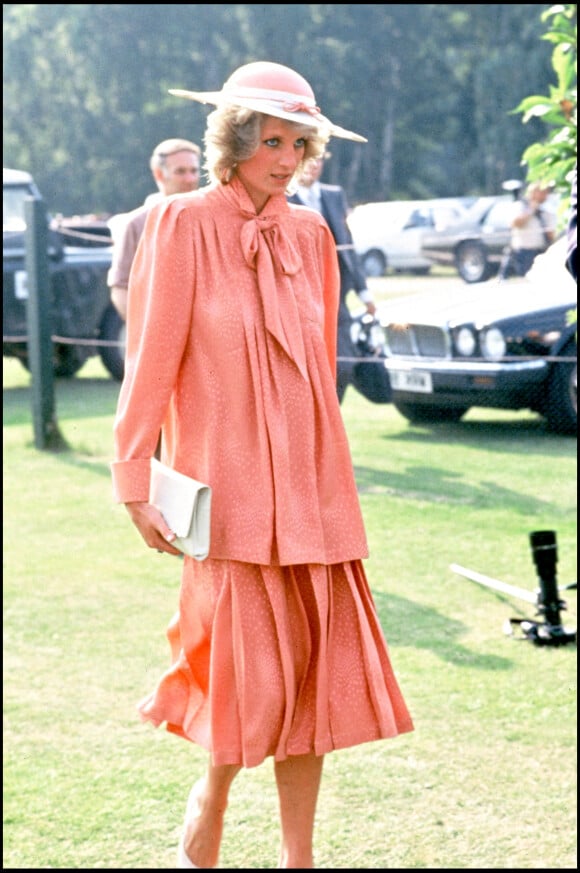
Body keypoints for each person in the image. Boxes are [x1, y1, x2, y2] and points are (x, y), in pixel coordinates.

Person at [111, 61, 413, 870]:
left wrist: (325, 476)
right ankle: (208, 803)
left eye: (299, 142)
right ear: (236, 139)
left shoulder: (314, 236)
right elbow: (151, 360)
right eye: (271, 139)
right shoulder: (179, 223)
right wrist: (135, 478)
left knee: (314, 686)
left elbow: (316, 366)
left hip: (313, 494)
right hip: (228, 493)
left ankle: (298, 858)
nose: (286, 157)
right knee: (252, 685)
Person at [287, 153, 377, 403]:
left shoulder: (333, 195)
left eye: (318, 160)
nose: (313, 166)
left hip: (336, 295)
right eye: (306, 160)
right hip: (297, 296)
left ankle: (331, 419)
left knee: (343, 364)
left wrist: (364, 294)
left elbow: (348, 245)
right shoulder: (280, 196)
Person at [107, 138, 201, 320]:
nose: (190, 179)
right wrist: (144, 330)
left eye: (194, 171)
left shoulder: (210, 218)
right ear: (159, 175)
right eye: (180, 171)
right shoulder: (136, 225)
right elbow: (120, 287)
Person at [501, 181, 556, 279]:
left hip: (541, 251)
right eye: (543, 191)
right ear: (534, 192)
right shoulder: (520, 206)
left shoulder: (545, 209)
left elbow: (551, 234)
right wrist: (531, 210)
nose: (546, 194)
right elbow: (515, 223)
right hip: (524, 254)